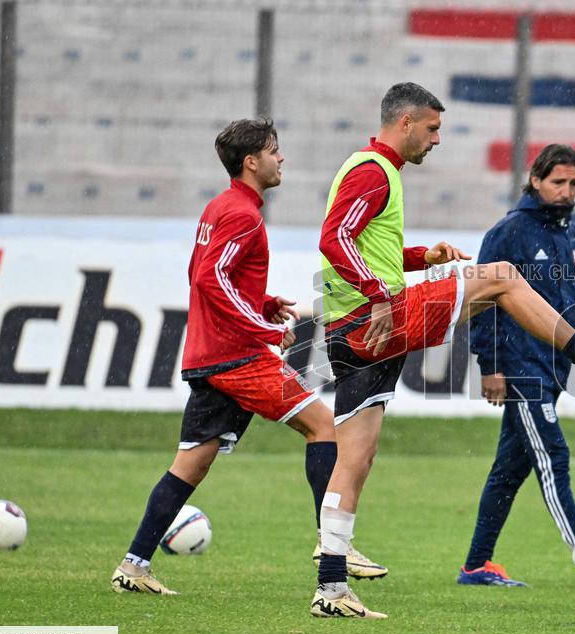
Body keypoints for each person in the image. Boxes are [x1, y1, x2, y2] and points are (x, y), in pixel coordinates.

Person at [311, 82, 575, 619]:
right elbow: (334, 239)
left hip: (351, 329)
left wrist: (422, 256)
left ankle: (331, 588)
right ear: (404, 123)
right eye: (432, 129)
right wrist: (381, 295)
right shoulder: (372, 169)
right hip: (370, 317)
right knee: (501, 277)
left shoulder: (378, 172)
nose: (436, 140)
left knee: (356, 457)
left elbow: (363, 245)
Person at [110, 118, 385, 596]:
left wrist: (260, 303)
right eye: (275, 151)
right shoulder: (242, 214)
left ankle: (133, 566)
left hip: (211, 356)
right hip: (238, 358)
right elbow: (209, 280)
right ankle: (332, 544)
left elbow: (205, 271)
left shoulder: (221, 208)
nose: (282, 159)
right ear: (251, 161)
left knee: (191, 464)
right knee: (324, 426)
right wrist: (261, 327)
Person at [457, 144, 575, 589]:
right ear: (535, 180)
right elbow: (481, 303)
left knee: (507, 472)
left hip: (554, 371)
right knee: (553, 456)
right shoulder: (509, 232)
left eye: (574, 183)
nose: (567, 190)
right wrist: (490, 365)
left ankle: (477, 566)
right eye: (558, 181)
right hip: (520, 370)